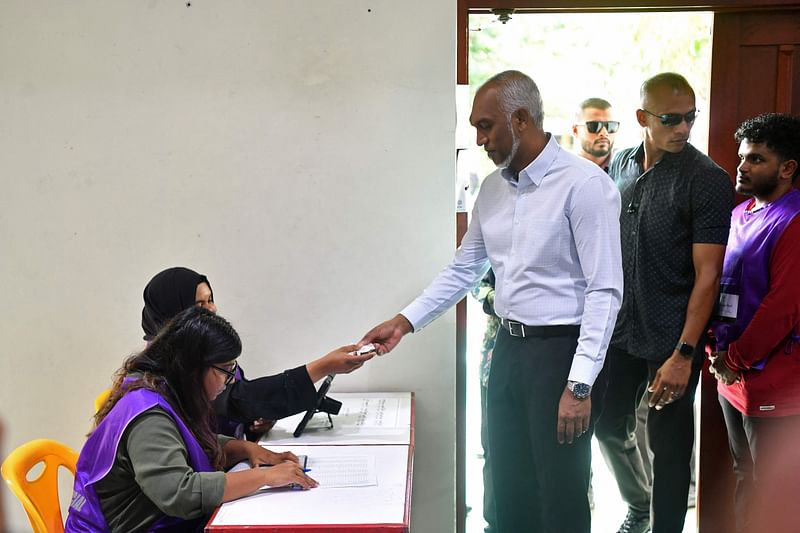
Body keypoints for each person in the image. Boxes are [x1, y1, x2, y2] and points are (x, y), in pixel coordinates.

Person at [359, 70, 623, 533]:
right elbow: (466, 268)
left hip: (562, 355)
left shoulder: (583, 186)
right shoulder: (495, 188)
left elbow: (605, 291)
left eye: (487, 126)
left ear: (521, 119)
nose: (480, 139)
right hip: (508, 351)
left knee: (559, 495)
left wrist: (579, 385)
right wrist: (404, 321)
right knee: (507, 487)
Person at [595, 72, 734, 533]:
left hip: (671, 341)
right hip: (618, 333)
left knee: (671, 452)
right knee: (606, 426)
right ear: (642, 118)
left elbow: (708, 274)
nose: (683, 128)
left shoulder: (707, 180)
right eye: (671, 119)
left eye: (690, 118)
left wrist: (684, 354)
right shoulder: (621, 165)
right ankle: (638, 504)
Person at [66, 307, 318, 532]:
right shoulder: (149, 416)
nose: (229, 380)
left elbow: (187, 443)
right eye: (224, 371)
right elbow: (179, 493)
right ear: (192, 367)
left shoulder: (166, 389)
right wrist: (265, 477)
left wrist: (245, 448)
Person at [140, 267, 374, 440]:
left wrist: (256, 420)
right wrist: (323, 367)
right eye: (199, 305)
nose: (212, 309)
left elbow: (240, 400)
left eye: (211, 300)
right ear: (174, 314)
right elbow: (235, 400)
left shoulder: (204, 349)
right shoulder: (167, 370)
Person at [709, 112, 800, 533]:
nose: (743, 166)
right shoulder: (741, 212)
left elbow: (783, 307)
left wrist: (737, 358)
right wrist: (716, 352)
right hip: (731, 377)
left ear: (787, 168)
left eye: (757, 159)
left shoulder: (794, 221)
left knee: (775, 493)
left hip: (775, 384)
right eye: (742, 157)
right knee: (745, 475)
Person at [470, 269, 499, 533]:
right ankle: (494, 522)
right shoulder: (494, 230)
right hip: (494, 355)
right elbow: (473, 280)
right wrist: (492, 296)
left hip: (549, 356)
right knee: (492, 445)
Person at [571, 97, 618, 172]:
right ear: (575, 130)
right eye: (594, 126)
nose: (604, 133)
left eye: (611, 126)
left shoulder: (627, 167)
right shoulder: (564, 170)